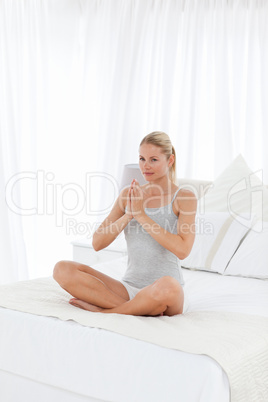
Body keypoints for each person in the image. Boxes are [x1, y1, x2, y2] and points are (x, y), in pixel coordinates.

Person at [53, 131, 197, 316]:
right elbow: (97, 243)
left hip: (164, 292)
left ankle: (105, 312)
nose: (146, 166)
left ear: (170, 161)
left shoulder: (184, 197)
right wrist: (128, 216)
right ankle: (137, 309)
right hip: (128, 288)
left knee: (168, 285)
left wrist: (142, 216)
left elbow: (183, 250)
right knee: (62, 269)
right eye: (142, 158)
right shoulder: (128, 195)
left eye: (154, 159)